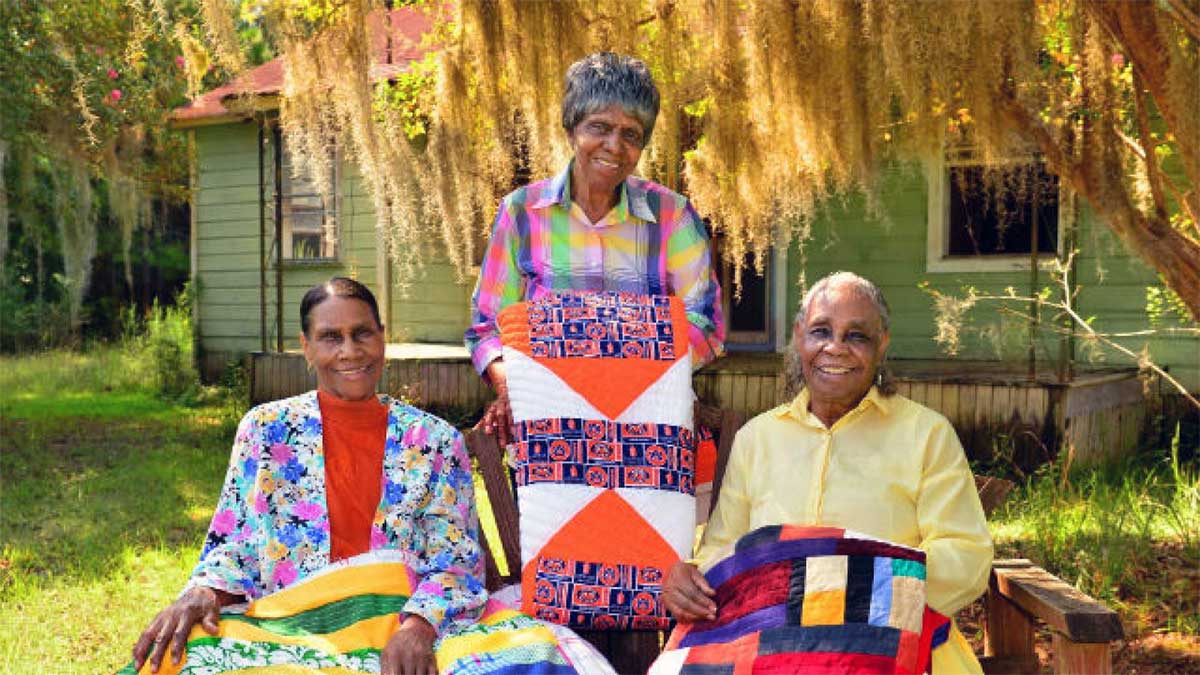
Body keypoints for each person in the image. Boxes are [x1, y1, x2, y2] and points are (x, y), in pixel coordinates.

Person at [131, 277, 484, 675]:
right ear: (307, 348)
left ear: (382, 338)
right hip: (287, 626)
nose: (350, 351)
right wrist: (205, 591)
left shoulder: (434, 441)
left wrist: (418, 628)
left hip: (396, 625)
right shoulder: (266, 430)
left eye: (362, 333)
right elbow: (238, 543)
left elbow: (455, 560)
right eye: (330, 337)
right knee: (168, 664)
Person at [662, 271, 993, 674]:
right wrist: (691, 581)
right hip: (773, 653)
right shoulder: (758, 439)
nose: (835, 348)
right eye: (821, 331)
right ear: (799, 336)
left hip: (895, 646)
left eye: (857, 336)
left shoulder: (926, 435)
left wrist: (847, 591)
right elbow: (723, 551)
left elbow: (966, 558)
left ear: (882, 344)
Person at [465, 51, 725, 446]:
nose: (614, 146)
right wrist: (507, 387)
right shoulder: (521, 213)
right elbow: (487, 327)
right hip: (547, 428)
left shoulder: (673, 215)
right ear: (571, 130)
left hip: (650, 430)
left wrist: (621, 382)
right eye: (598, 127)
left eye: (631, 134)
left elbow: (706, 325)